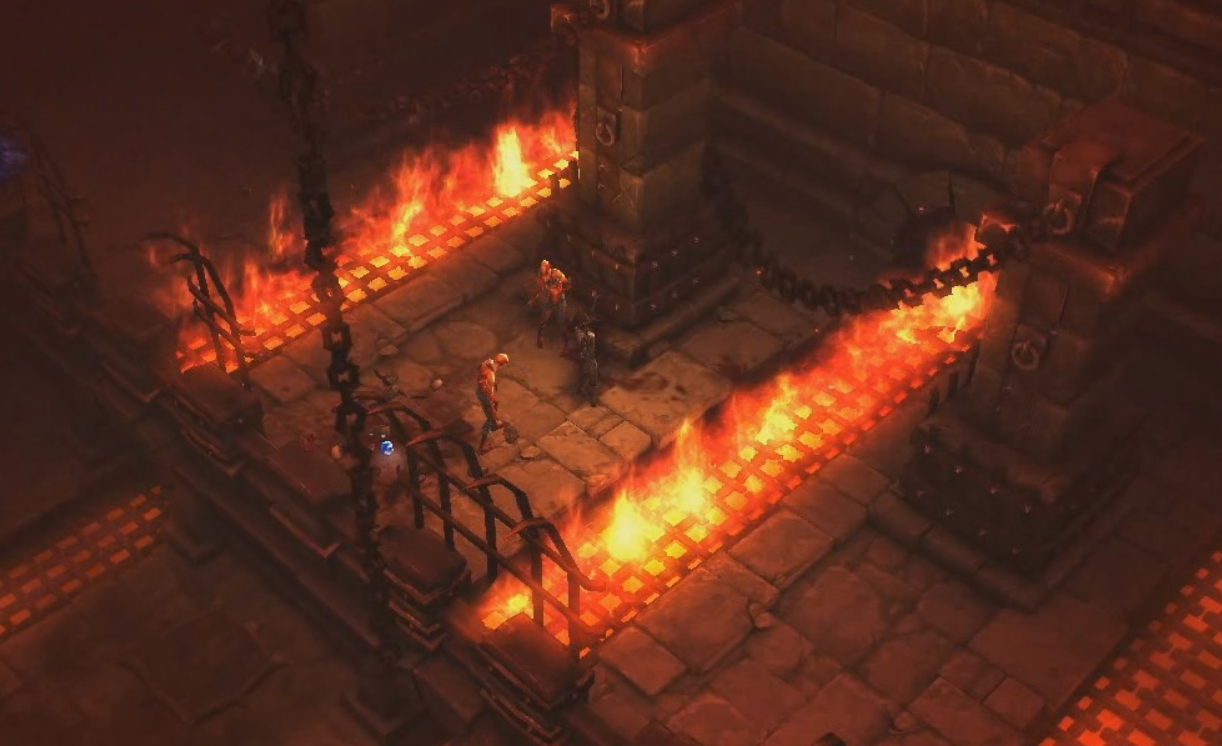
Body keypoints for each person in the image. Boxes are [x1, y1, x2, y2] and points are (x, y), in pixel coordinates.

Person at [532, 259, 571, 350]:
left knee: (561, 324)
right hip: (551, 300)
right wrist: (534, 298)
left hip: (560, 301)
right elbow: (541, 288)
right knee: (543, 319)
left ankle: (566, 345)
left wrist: (559, 292)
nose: (542, 269)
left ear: (548, 267)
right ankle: (539, 339)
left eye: (543, 267)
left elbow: (567, 284)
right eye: (541, 267)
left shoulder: (555, 273)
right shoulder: (541, 277)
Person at [476, 353, 510, 453]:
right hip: (485, 396)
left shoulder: (487, 362)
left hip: (480, 391)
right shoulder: (491, 375)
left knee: (496, 403)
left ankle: (494, 422)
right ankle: (481, 448)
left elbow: (479, 370)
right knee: (490, 420)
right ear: (503, 364)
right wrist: (492, 410)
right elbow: (489, 395)